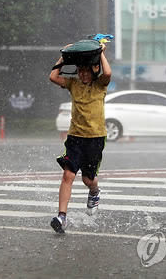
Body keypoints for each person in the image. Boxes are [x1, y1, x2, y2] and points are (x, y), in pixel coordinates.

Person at [48, 43, 112, 233]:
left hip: (95, 138)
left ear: (94, 70)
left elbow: (107, 73)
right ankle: (62, 217)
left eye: (86, 71)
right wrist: (63, 57)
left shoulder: (100, 85)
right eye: (80, 71)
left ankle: (94, 191)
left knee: (87, 179)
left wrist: (100, 53)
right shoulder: (73, 84)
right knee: (68, 174)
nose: (83, 74)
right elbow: (53, 76)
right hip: (75, 137)